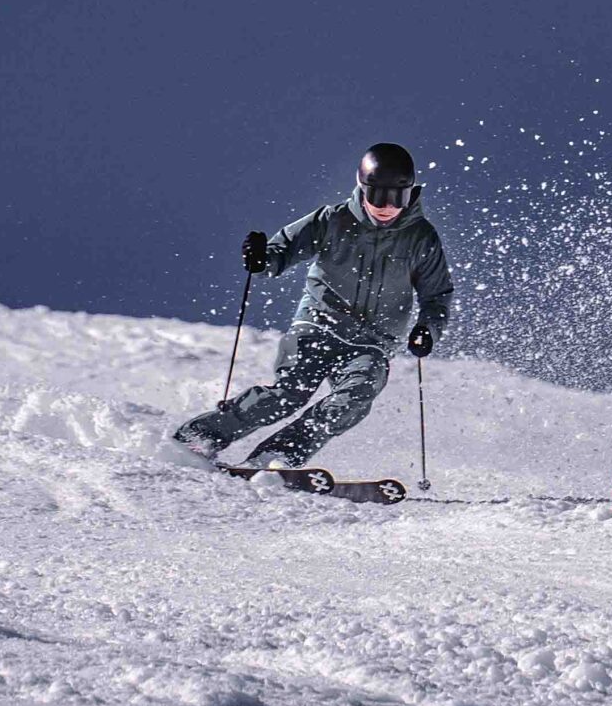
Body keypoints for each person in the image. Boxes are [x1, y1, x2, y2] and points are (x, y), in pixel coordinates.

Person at [172, 143, 453, 468]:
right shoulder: (332, 220)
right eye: (378, 196)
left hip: (372, 343)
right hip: (318, 328)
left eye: (397, 197)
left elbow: (437, 296)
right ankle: (200, 435)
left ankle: (278, 455)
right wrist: (261, 257)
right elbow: (281, 251)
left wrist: (427, 329)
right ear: (362, 189)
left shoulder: (421, 237)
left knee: (353, 400)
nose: (387, 207)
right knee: (286, 396)